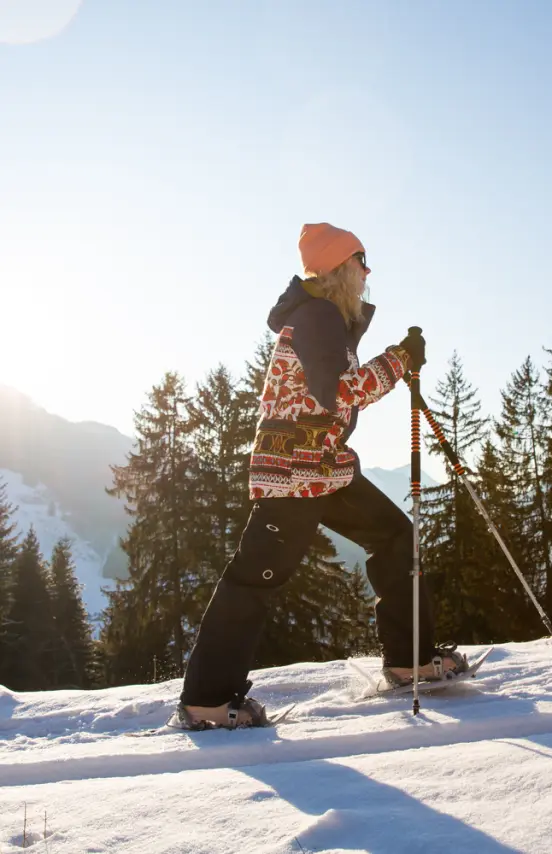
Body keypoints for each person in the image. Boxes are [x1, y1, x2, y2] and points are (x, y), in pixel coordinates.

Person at [172, 222, 467, 730]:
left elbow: (333, 383)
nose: (367, 272)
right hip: (294, 473)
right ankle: (207, 702)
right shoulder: (317, 316)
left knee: (395, 535)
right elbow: (342, 390)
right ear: (338, 269)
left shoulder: (326, 318)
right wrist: (399, 360)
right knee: (252, 579)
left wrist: (392, 356)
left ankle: (410, 661)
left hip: (323, 466)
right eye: (360, 262)